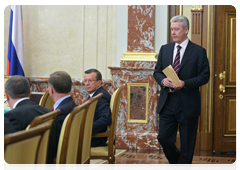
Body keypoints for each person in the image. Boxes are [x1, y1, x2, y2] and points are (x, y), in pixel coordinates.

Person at [153, 15, 210, 170]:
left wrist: (185, 83)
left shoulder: (199, 51)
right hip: (168, 102)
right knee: (164, 138)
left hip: (188, 103)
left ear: (186, 30)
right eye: (172, 29)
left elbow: (205, 77)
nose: (173, 32)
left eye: (176, 29)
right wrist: (163, 81)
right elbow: (157, 72)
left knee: (187, 143)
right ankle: (180, 165)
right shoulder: (165, 49)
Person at [84, 68, 112, 147]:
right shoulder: (96, 94)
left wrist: (85, 129)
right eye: (85, 81)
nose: (87, 83)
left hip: (93, 139)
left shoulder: (101, 96)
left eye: (90, 80)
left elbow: (105, 119)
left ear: (99, 82)